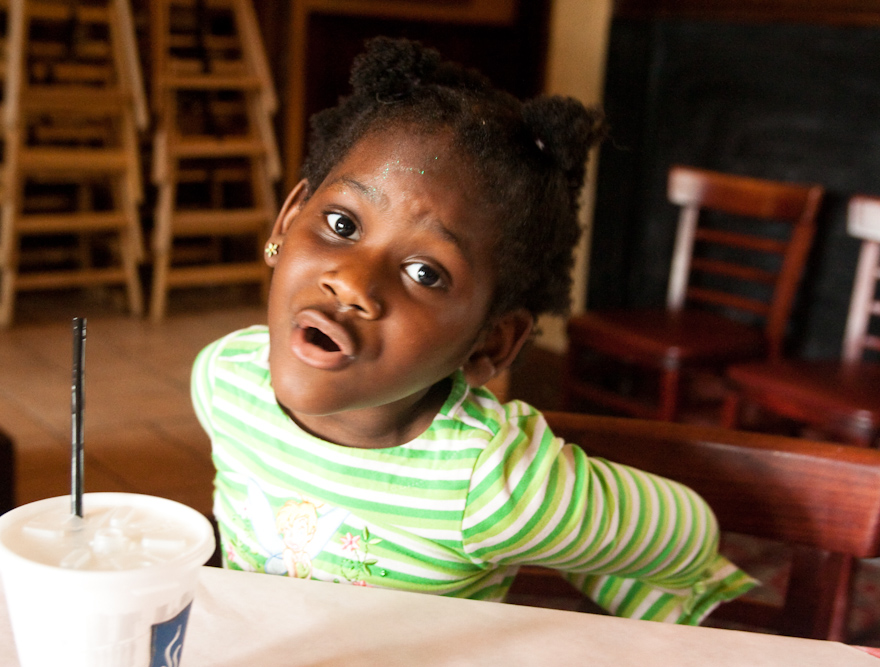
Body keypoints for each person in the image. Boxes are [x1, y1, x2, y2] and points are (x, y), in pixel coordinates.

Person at [192, 36, 755, 624]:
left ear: (490, 344)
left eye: (424, 272)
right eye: (341, 223)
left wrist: (615, 582)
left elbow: (687, 532)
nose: (352, 283)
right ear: (287, 222)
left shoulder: (493, 485)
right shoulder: (223, 379)